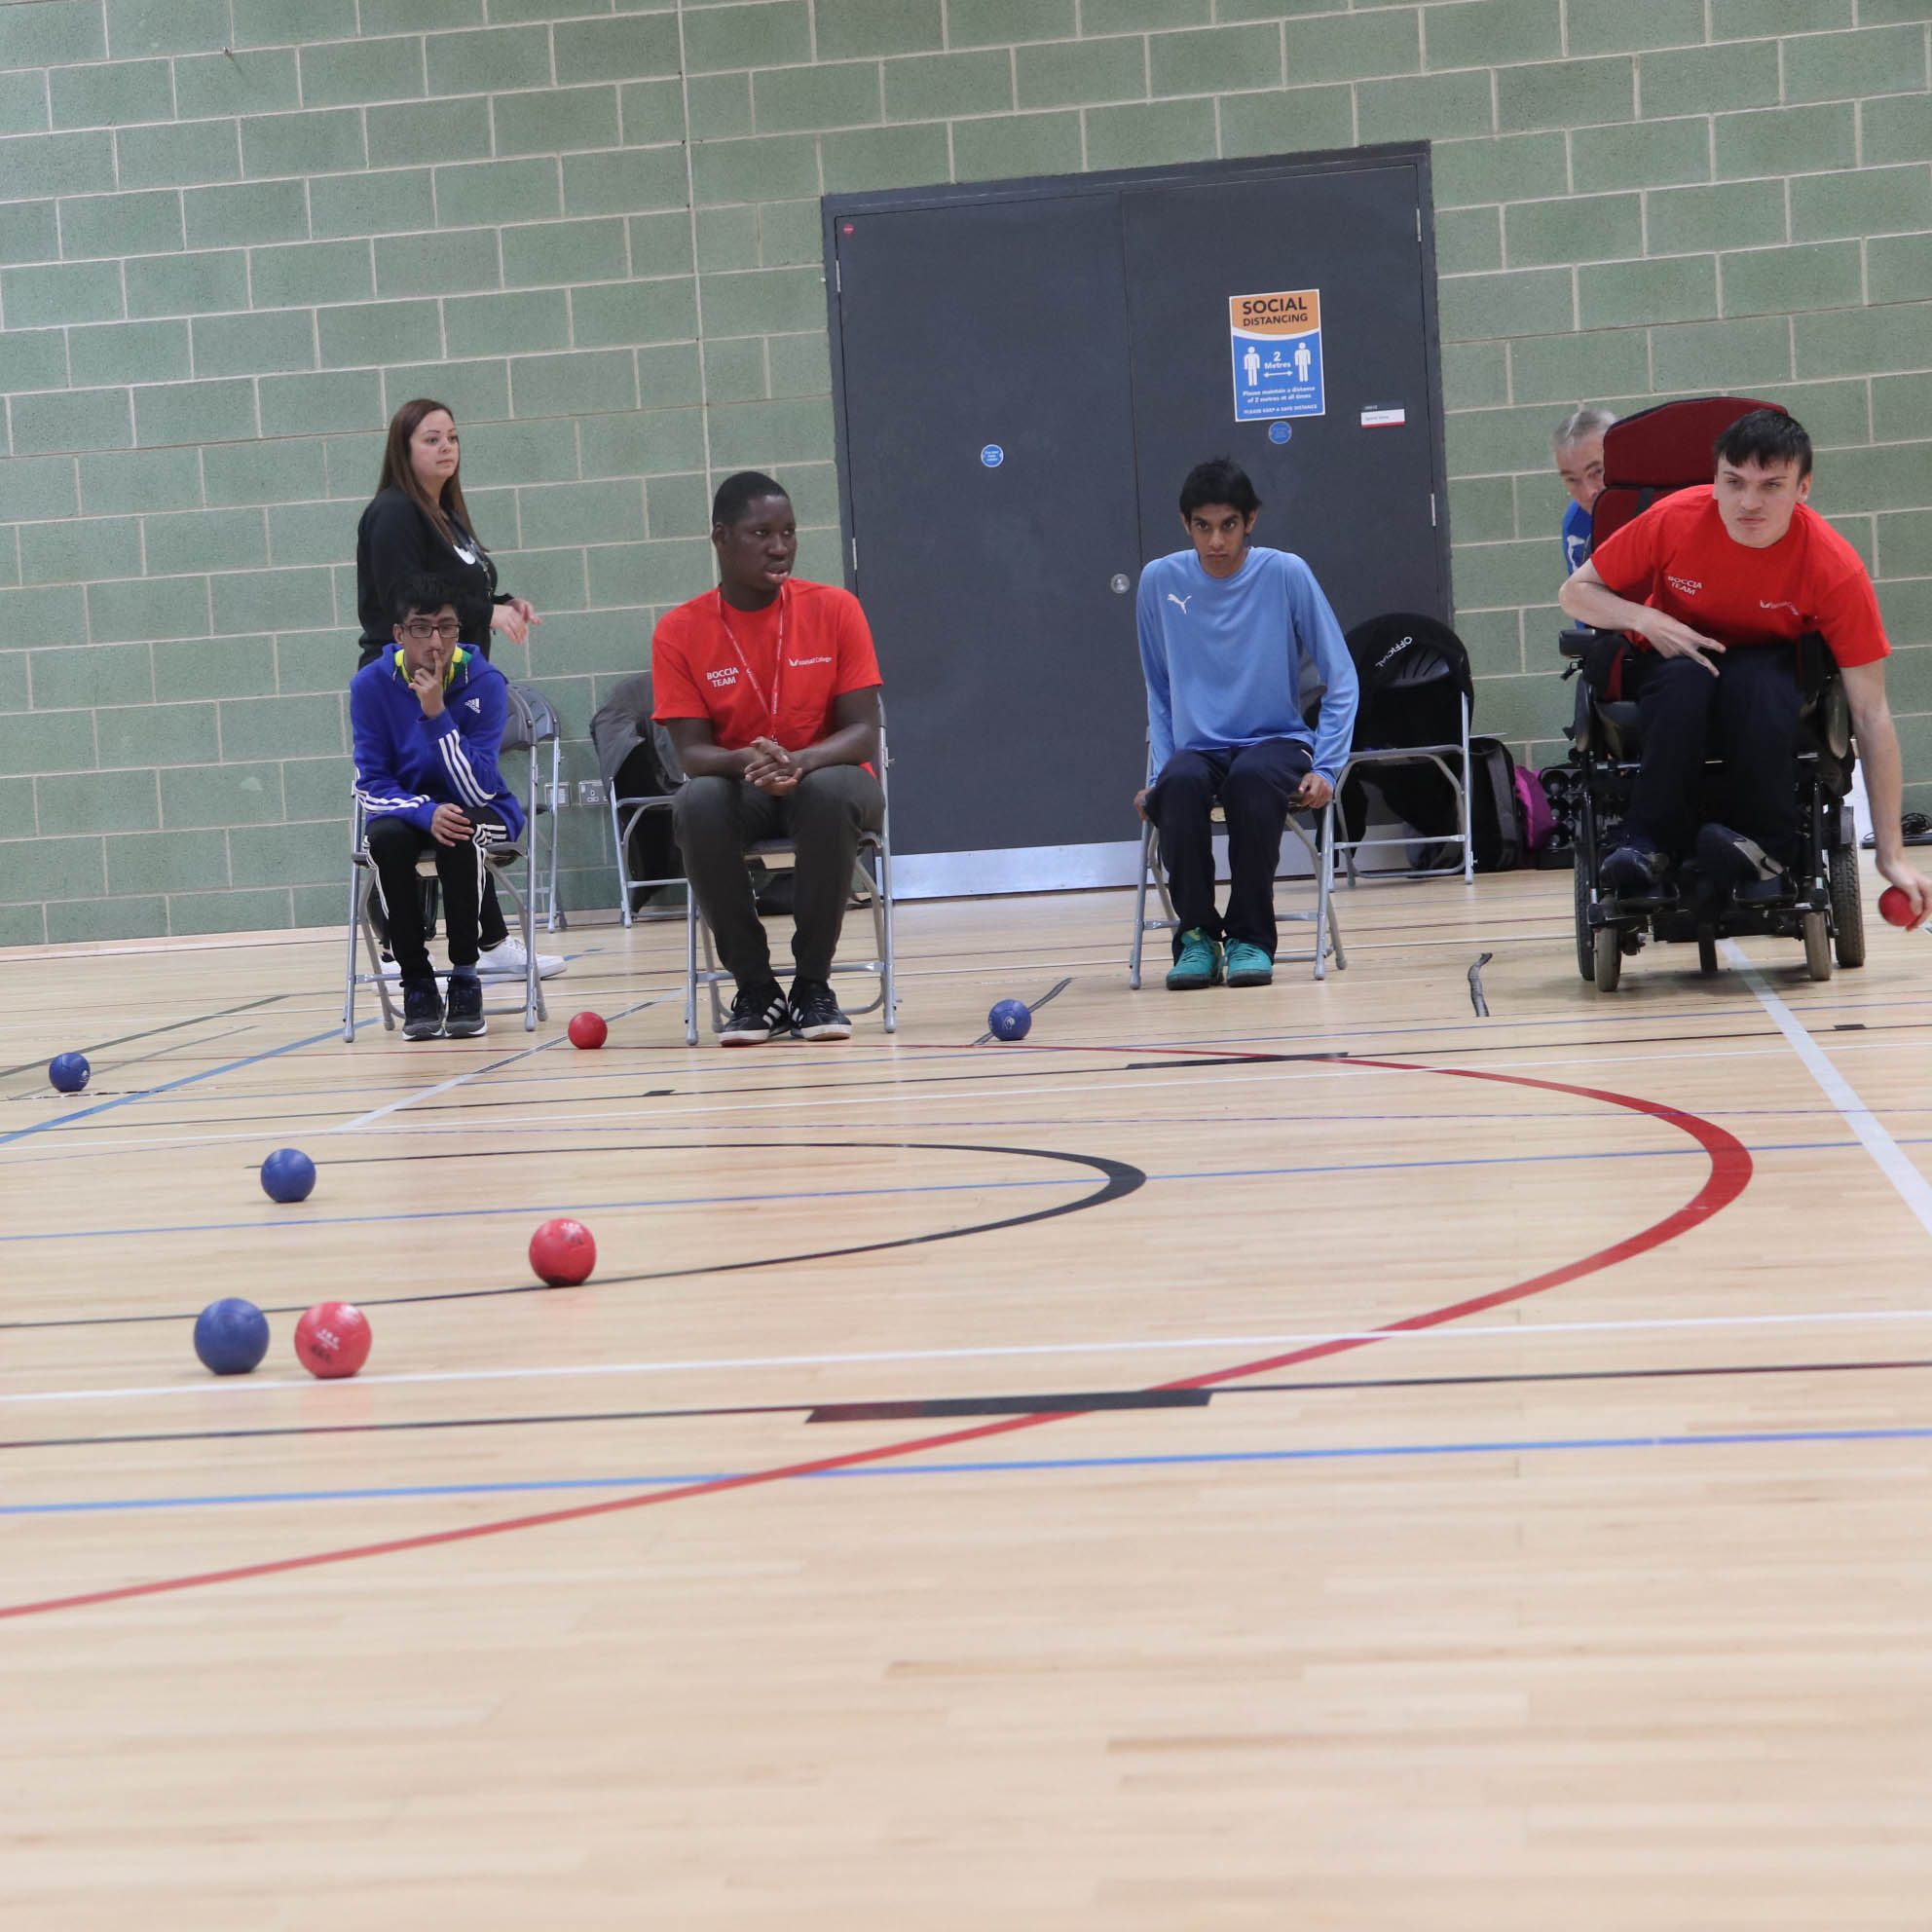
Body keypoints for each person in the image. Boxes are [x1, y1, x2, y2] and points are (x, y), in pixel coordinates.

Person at [1558, 408, 1932, 922]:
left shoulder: (1833, 566)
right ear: (1715, 481)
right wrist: (1646, 618)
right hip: (1676, 653)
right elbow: (1575, 592)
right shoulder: (1675, 518)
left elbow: (1871, 714)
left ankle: (1766, 847)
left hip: (1766, 663)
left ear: (1803, 488)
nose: (1748, 502)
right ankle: (1647, 842)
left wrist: (1892, 856)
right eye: (1733, 482)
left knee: (1757, 685)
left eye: (1771, 485)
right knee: (1685, 680)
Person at [651, 471, 885, 1046]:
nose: (780, 547)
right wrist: (747, 764)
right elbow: (691, 753)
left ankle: (812, 986)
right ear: (721, 538)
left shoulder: (836, 609)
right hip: (741, 785)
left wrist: (800, 761)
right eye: (762, 533)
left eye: (789, 532)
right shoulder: (679, 631)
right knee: (696, 800)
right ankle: (755, 989)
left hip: (828, 778)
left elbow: (863, 734)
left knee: (830, 791)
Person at [353, 396, 561, 980]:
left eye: (452, 437)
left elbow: (456, 582)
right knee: (419, 804)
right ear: (405, 449)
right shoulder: (394, 512)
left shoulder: (443, 512)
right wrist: (483, 612)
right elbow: (406, 599)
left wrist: (502, 600)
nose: (447, 448)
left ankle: (488, 941)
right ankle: (399, 937)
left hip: (457, 679)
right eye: (431, 439)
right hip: (406, 680)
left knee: (462, 799)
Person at [1134, 457, 1358, 989]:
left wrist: (1327, 767)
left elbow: (1342, 677)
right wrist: (1162, 775)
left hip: (1276, 743)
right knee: (1182, 787)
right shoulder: (1158, 581)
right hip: (1199, 749)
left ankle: (1251, 939)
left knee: (1251, 782)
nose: (1217, 541)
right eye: (1203, 527)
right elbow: (1159, 690)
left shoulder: (1285, 573)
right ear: (1185, 525)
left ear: (1251, 520)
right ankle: (1195, 940)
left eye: (1229, 525)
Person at [351, 576, 528, 1039]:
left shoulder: (484, 681)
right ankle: (416, 982)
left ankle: (466, 977)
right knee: (385, 837)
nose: (436, 642)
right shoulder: (370, 685)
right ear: (397, 635)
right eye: (422, 628)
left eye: (447, 628)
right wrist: (422, 812)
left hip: (479, 807)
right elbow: (370, 785)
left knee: (461, 829)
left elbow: (480, 788)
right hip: (410, 811)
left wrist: (436, 715)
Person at [1554, 406, 1615, 574]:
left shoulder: (1664, 503)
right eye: (1572, 480)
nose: (1588, 493)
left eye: (1597, 472)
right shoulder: (1576, 526)